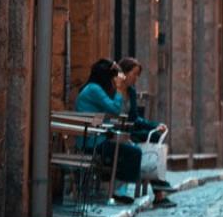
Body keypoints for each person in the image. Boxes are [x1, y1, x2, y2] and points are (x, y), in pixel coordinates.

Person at [75, 59, 175, 208]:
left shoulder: (99, 89)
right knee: (134, 152)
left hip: (101, 136)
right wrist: (120, 90)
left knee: (146, 141)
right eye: (134, 74)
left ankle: (153, 187)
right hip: (93, 140)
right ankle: (120, 189)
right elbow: (114, 110)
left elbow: (128, 116)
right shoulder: (96, 89)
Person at [118, 56, 176, 198]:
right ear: (123, 73)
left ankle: (159, 189)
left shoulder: (131, 91)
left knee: (156, 136)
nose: (136, 78)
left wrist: (155, 125)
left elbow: (135, 117)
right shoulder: (114, 90)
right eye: (134, 74)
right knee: (146, 144)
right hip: (118, 132)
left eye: (138, 75)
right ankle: (159, 191)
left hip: (130, 129)